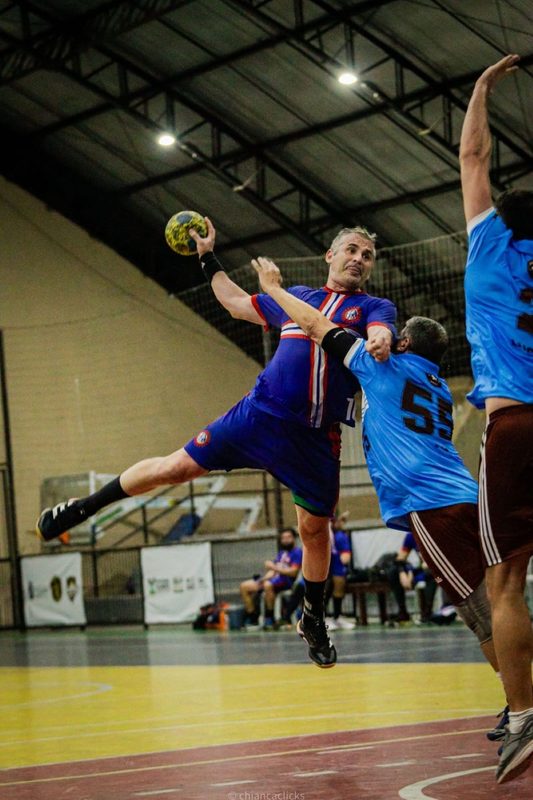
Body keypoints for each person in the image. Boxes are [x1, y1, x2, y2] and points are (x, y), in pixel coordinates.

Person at [36, 219, 396, 669]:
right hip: (258, 415)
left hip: (314, 435)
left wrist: (380, 338)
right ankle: (81, 508)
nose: (358, 259)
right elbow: (234, 302)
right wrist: (208, 256)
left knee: (314, 530)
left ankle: (313, 617)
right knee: (173, 469)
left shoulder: (373, 306)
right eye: (352, 250)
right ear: (330, 255)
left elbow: (381, 330)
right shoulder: (297, 297)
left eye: (367, 255)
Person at [251, 256, 502, 695]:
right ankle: (520, 697)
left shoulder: (382, 367)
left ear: (403, 344)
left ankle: (520, 700)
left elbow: (316, 326)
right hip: (462, 495)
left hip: (431, 503)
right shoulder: (437, 384)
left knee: (478, 613)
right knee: (495, 603)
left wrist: (274, 289)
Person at [459, 53, 533, 784]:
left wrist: (480, 89)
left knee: (503, 581)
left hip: (513, 424)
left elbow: (473, 152)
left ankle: (521, 714)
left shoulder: (487, 246)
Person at [240, 527, 302, 629]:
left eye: (289, 537)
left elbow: (293, 572)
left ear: (294, 538)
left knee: (268, 585)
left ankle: (270, 616)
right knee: (244, 586)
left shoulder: (297, 552)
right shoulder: (282, 553)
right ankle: (253, 617)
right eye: (283, 538)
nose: (286, 540)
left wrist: (273, 567)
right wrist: (263, 578)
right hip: (273, 579)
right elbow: (273, 571)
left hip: (286, 581)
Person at [387, 532, 438, 624]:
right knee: (393, 571)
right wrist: (402, 572)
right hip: (422, 568)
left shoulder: (432, 531)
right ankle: (403, 612)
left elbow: (431, 562)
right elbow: (400, 559)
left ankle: (427, 613)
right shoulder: (411, 535)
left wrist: (411, 573)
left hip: (437, 567)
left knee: (430, 572)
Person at [326, 511, 355, 630]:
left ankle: (336, 616)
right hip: (323, 563)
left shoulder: (339, 536)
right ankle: (323, 617)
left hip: (335, 564)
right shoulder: (326, 533)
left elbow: (345, 557)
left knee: (338, 585)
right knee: (325, 589)